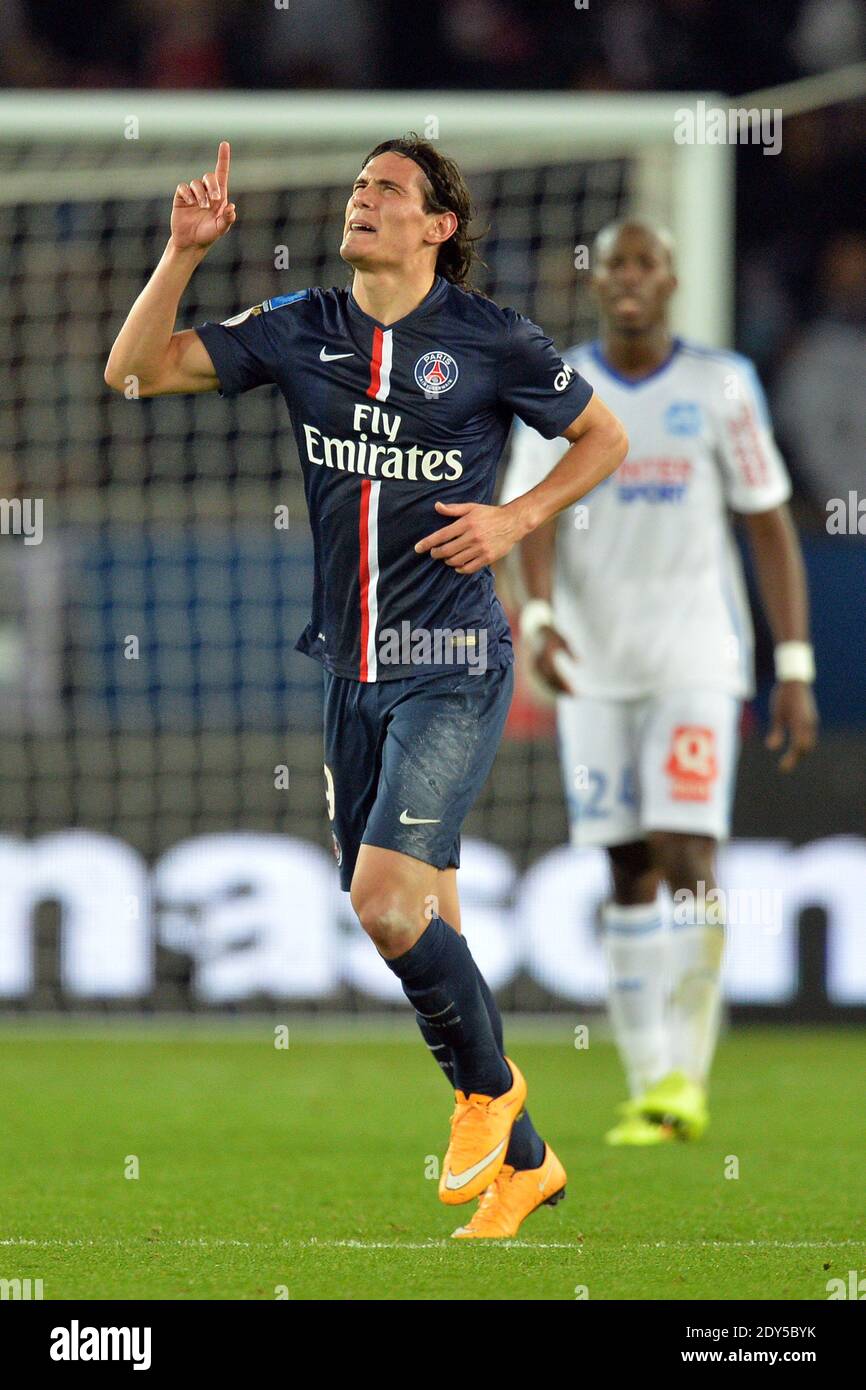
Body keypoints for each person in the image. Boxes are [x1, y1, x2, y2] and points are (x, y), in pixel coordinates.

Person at [104, 136, 628, 1234]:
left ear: (438, 225)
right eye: (356, 188)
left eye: (387, 190)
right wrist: (181, 253)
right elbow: (133, 371)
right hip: (349, 672)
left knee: (382, 902)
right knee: (419, 921)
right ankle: (524, 1160)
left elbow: (601, 434)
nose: (362, 201)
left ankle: (488, 1097)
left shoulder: (490, 339)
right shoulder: (302, 328)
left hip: (451, 665)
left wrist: (516, 517)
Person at [502, 219, 818, 1145]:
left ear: (673, 278)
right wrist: (543, 619)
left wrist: (791, 663)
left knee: (686, 851)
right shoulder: (563, 384)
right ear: (596, 282)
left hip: (696, 657)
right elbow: (537, 513)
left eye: (646, 263)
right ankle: (648, 1085)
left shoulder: (722, 385)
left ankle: (688, 1075)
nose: (630, 278)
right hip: (593, 665)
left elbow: (768, 522)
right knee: (624, 863)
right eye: (614, 265)